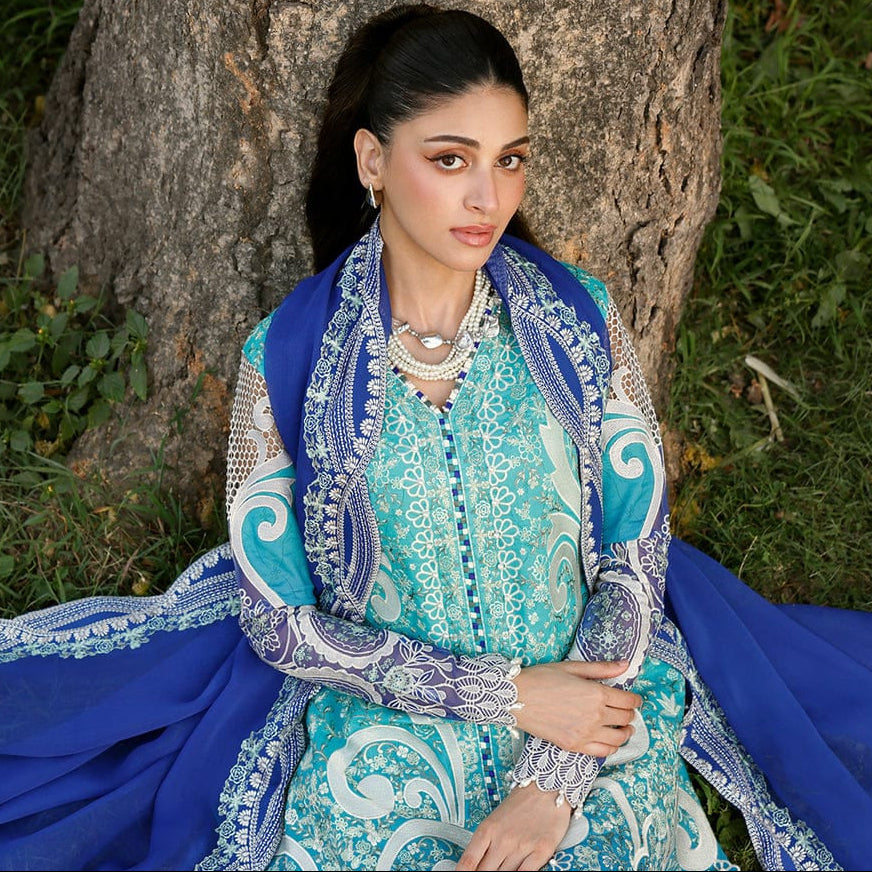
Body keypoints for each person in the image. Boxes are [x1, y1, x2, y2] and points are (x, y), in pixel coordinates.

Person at [1, 5, 870, 872]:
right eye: (450, 160)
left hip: (594, 708)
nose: (488, 198)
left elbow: (635, 556)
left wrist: (553, 774)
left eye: (510, 161)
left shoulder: (577, 323)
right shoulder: (289, 357)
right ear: (373, 160)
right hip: (389, 730)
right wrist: (506, 695)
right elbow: (284, 629)